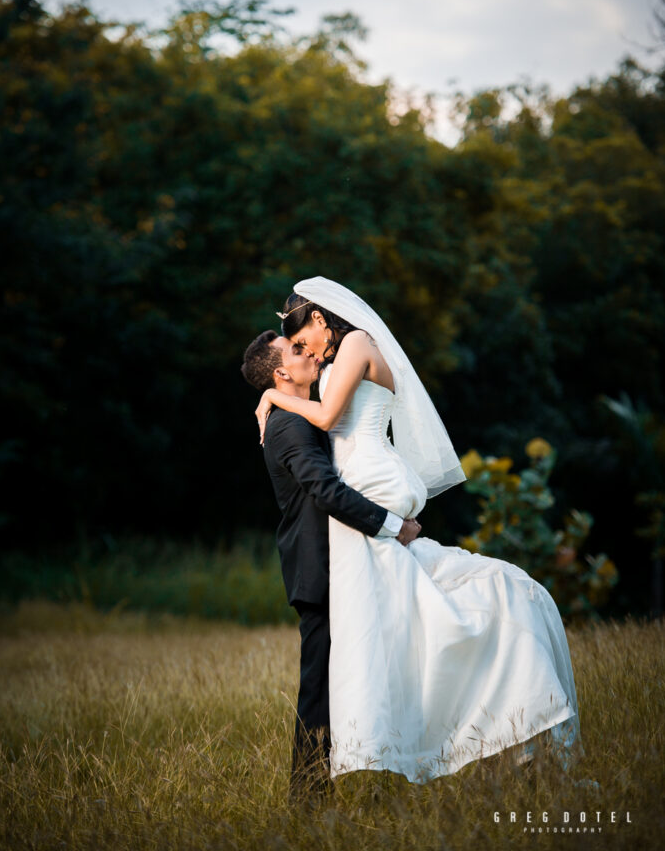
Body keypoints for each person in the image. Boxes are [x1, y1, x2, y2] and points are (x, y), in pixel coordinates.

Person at [254, 276, 582, 784]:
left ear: (319, 320)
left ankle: (410, 741)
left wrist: (276, 397)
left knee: (412, 621)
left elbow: (325, 417)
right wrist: (276, 397)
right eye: (295, 351)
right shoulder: (331, 367)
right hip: (355, 508)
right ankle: (366, 758)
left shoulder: (357, 342)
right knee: (386, 629)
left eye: (303, 341)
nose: (307, 353)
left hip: (367, 494)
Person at [240, 328, 421, 799]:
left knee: (341, 679)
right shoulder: (290, 426)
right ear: (282, 373)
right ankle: (307, 800)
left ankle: (364, 776)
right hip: (319, 569)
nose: (307, 353)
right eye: (295, 351)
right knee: (318, 690)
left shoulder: (298, 416)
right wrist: (391, 525)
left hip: (341, 563)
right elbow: (325, 490)